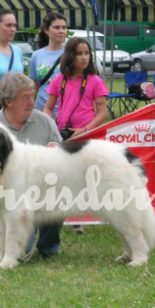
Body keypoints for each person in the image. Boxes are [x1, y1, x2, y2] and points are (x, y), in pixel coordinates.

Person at [0, 72, 63, 258]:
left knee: (61, 196)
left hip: (43, 193)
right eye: (25, 98)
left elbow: (62, 159)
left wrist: (56, 151)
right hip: (8, 201)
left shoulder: (45, 122)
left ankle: (49, 247)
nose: (32, 102)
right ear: (8, 102)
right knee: (19, 255)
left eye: (33, 96)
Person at [43, 37, 109, 235]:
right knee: (66, 179)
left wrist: (85, 129)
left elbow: (103, 113)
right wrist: (51, 128)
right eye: (79, 53)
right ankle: (70, 217)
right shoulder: (58, 80)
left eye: (87, 53)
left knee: (86, 179)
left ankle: (85, 217)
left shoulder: (95, 81)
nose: (84, 58)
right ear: (70, 56)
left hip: (87, 137)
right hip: (64, 136)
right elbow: (47, 108)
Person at [29, 11, 67, 117]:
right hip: (41, 109)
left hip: (66, 110)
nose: (61, 31)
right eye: (56, 27)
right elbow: (36, 84)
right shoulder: (36, 55)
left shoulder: (72, 52)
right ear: (46, 30)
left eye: (64, 27)